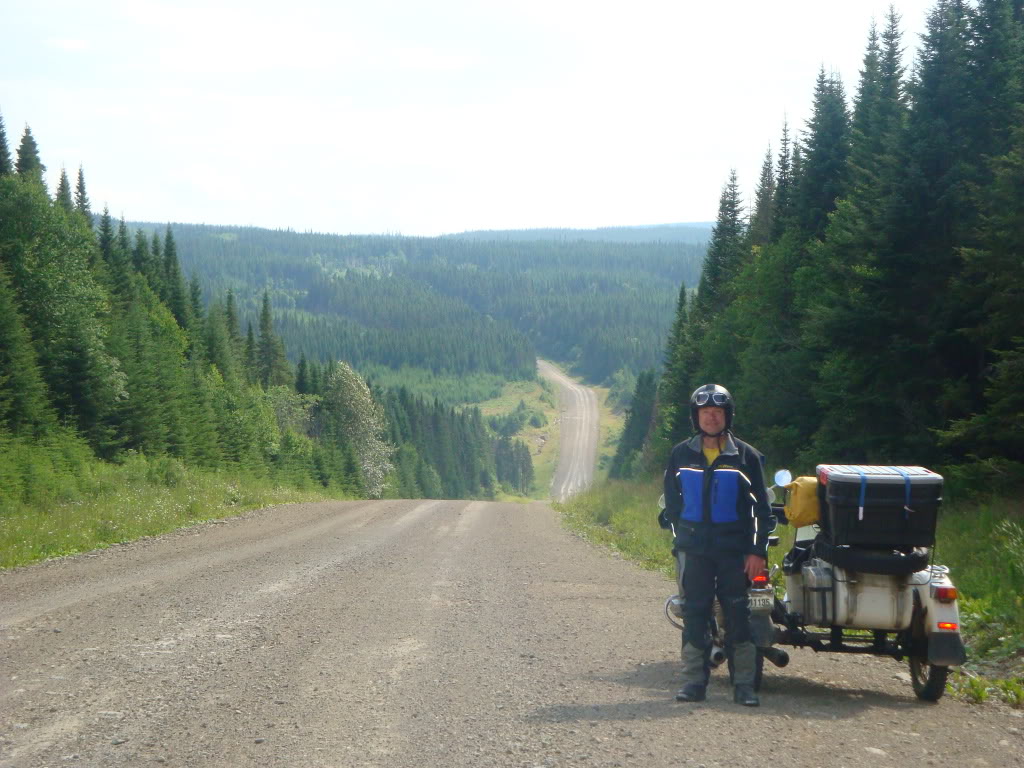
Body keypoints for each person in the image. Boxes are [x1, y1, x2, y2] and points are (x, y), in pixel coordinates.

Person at [659, 384, 772, 706]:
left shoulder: (745, 456)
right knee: (694, 614)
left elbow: (760, 510)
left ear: (727, 416)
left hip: (733, 551)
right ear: (696, 417)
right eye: (705, 412)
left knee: (738, 615)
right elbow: (673, 503)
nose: (711, 417)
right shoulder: (681, 454)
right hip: (694, 550)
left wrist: (756, 551)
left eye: (717, 412)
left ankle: (744, 686)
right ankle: (694, 683)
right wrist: (681, 540)